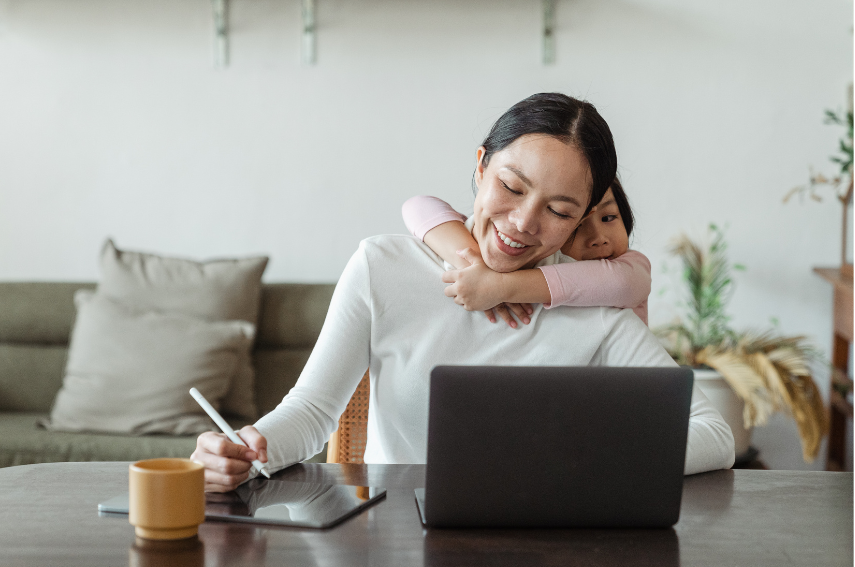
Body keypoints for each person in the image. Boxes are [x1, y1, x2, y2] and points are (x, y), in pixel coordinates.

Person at [192, 93, 735, 492]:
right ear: (479, 168)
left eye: (559, 210)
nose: (523, 223)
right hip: (396, 540)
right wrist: (246, 448)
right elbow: (311, 412)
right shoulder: (383, 267)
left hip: (543, 544)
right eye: (511, 187)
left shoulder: (594, 307)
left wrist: (593, 457)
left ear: (582, 220)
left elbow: (714, 434)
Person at [401, 176, 651, 327]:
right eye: (577, 226)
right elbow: (418, 206)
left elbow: (621, 284)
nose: (599, 239)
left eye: (609, 217)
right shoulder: (538, 259)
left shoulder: (631, 267)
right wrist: (474, 266)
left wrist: (500, 286)